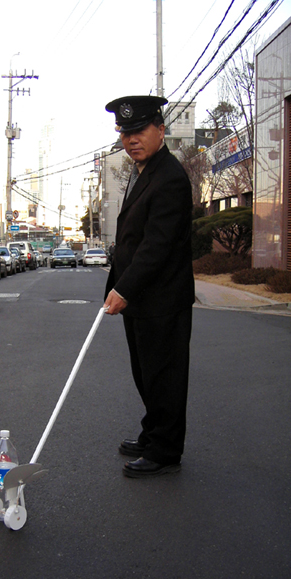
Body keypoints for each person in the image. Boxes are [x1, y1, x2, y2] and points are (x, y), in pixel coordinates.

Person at [103, 95, 195, 477]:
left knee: (164, 375)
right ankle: (153, 432)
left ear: (160, 129)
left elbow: (157, 246)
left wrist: (123, 289)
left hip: (162, 298)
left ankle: (165, 450)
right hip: (142, 298)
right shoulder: (143, 171)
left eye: (139, 130)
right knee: (146, 373)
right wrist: (121, 285)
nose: (131, 139)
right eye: (125, 132)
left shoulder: (169, 177)